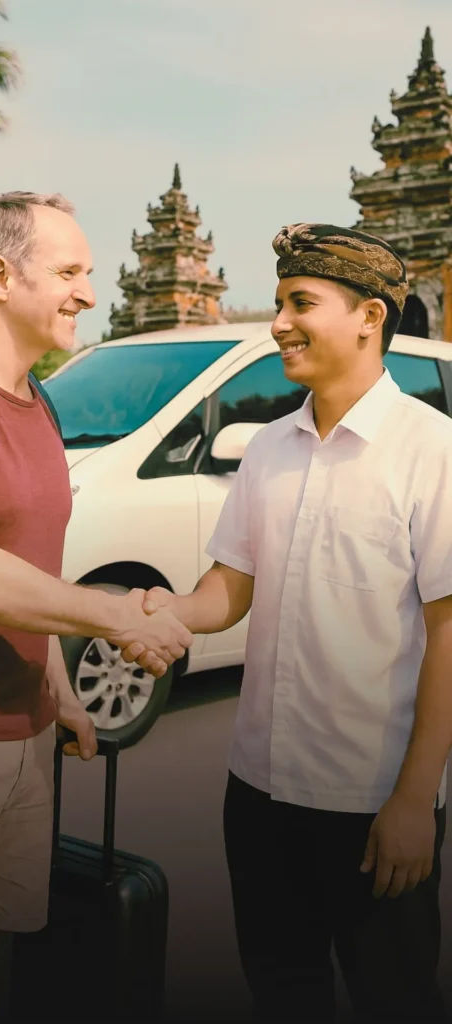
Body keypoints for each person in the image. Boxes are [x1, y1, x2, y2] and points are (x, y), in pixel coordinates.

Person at [0, 191, 192, 1023]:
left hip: (25, 737)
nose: (88, 291)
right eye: (69, 272)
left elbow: (28, 568)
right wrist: (119, 617)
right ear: (0, 277)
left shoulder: (40, 402)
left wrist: (61, 692)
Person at [141, 223, 452, 1022]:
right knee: (281, 996)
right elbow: (230, 587)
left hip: (373, 799)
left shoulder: (433, 450)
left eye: (300, 303)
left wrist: (415, 800)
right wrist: (165, 614)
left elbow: (449, 633)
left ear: (369, 316)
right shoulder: (269, 448)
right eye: (278, 303)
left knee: (396, 1000)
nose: (278, 323)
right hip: (257, 793)